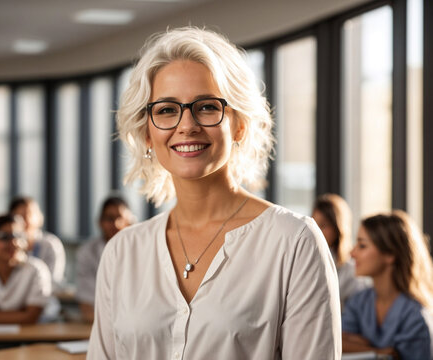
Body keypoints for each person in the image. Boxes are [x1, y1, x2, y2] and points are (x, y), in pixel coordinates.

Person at [87, 27, 341, 359]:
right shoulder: (122, 252)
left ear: (239, 124)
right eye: (166, 109)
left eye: (206, 107)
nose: (186, 125)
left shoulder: (292, 241)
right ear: (147, 133)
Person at [342, 211, 433, 359]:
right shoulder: (358, 302)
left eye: (362, 245)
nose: (352, 253)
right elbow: (334, 342)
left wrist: (358, 346)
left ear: (390, 254)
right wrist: (381, 352)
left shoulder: (416, 317)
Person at [75, 195, 135, 322]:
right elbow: (87, 305)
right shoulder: (87, 252)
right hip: (98, 322)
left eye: (120, 218)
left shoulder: (142, 250)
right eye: (109, 218)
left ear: (130, 222)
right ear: (100, 222)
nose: (115, 224)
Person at [312, 193, 370, 306]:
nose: (317, 231)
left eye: (323, 225)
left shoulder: (352, 269)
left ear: (338, 228)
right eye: (314, 224)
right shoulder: (309, 260)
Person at [9, 196, 66, 288]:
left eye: (30, 214)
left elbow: (54, 279)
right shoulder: (5, 244)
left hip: (44, 296)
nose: (27, 220)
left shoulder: (50, 244)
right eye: (21, 216)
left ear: (40, 217)